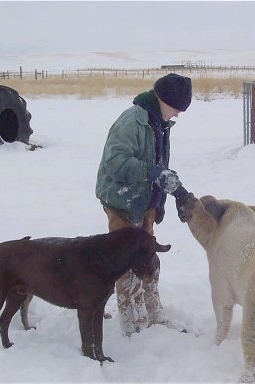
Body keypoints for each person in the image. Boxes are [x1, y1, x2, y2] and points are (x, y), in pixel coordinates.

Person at [95, 73, 192, 336]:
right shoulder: (133, 121)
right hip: (123, 202)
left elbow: (158, 166)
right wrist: (152, 174)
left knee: (148, 260)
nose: (178, 114)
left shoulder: (159, 123)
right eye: (177, 108)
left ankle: (154, 315)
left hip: (143, 203)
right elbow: (114, 163)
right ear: (164, 99)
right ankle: (134, 327)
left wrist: (175, 195)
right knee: (128, 266)